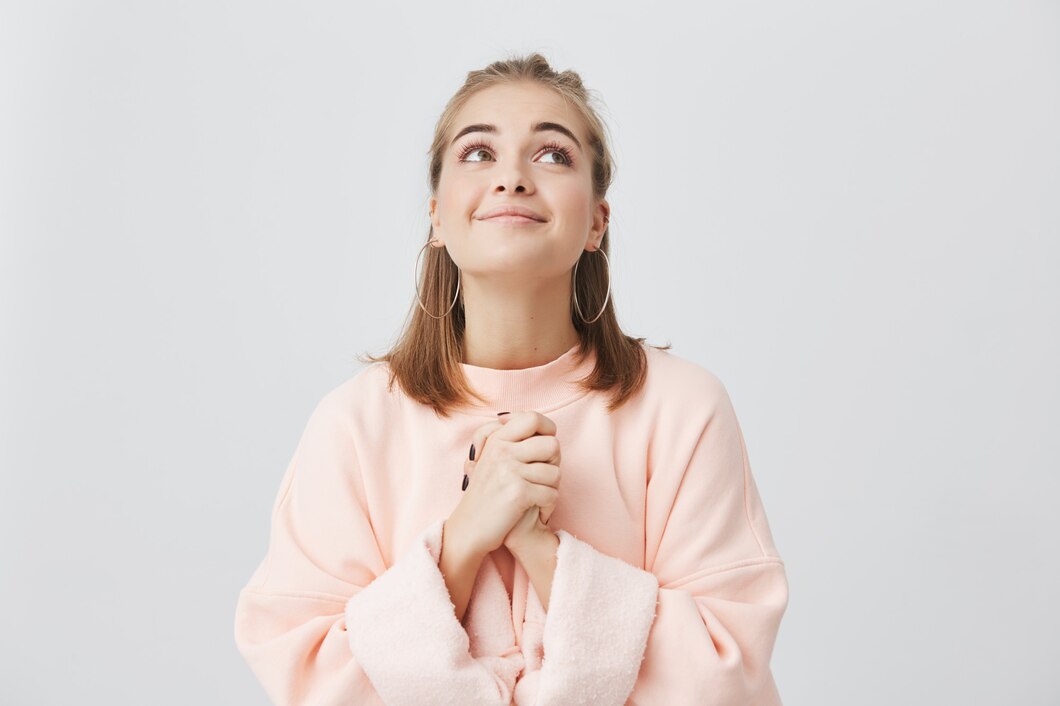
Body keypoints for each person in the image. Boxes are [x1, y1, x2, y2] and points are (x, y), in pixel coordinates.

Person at [234, 52, 788, 706]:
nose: (513, 179)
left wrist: (543, 552)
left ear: (597, 222)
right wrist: (463, 540)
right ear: (437, 215)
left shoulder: (683, 409)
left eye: (553, 154)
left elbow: (726, 675)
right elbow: (305, 674)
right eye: (477, 153)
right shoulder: (354, 425)